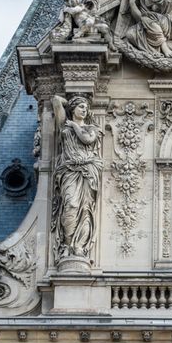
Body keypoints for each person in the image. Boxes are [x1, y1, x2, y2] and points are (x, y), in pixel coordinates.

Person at [51, 95, 102, 263]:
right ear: (72, 109)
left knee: (86, 209)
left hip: (87, 171)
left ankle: (79, 246)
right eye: (81, 107)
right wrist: (72, 99)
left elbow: (88, 139)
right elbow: (56, 100)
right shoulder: (63, 125)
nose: (84, 110)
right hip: (69, 171)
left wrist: (74, 125)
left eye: (86, 108)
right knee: (71, 205)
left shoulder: (91, 127)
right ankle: (66, 246)